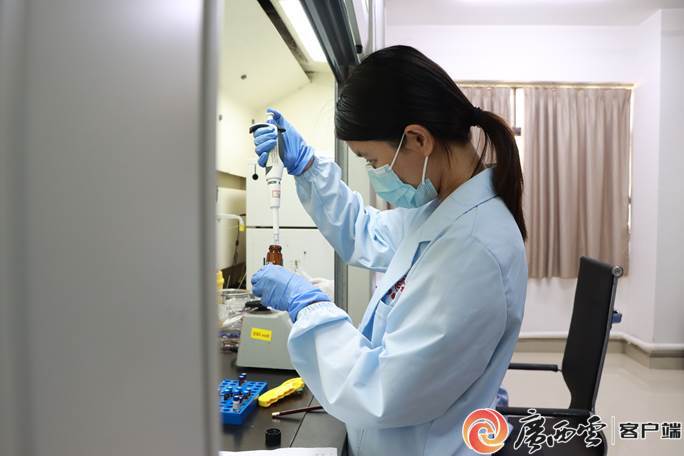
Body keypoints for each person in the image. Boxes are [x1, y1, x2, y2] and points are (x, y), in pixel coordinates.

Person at [250, 45, 527, 456]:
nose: (374, 173)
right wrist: (308, 169)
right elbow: (367, 233)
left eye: (372, 159)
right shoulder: (441, 209)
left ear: (417, 139)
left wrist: (308, 307)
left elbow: (382, 389)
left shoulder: (474, 249)